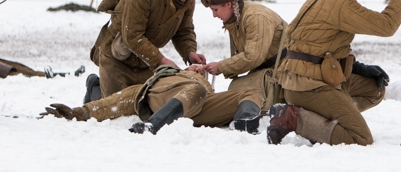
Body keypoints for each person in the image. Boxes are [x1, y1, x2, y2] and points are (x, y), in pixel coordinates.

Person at [266, 0, 401, 146]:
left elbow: (315, 44)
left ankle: (326, 119)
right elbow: (386, 26)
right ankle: (296, 119)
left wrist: (355, 67)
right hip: (309, 85)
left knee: (374, 88)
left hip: (306, 78)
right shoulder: (339, 4)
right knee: (360, 138)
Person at [89, 0, 210, 98]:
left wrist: (189, 52)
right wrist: (162, 61)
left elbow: (184, 31)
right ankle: (94, 88)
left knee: (144, 105)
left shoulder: (187, 1)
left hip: (145, 60)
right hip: (117, 57)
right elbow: (133, 36)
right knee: (115, 108)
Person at [42, 65, 264, 135]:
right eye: (194, 66)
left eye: (202, 69)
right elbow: (121, 101)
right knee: (195, 90)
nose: (199, 68)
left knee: (251, 91)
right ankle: (152, 125)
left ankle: (244, 122)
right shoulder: (163, 78)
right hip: (164, 101)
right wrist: (81, 112)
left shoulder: (207, 89)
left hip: (198, 106)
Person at [200, 0, 287, 110]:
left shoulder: (255, 17)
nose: (214, 15)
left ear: (228, 4)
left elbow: (253, 57)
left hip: (286, 70)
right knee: (235, 92)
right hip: (270, 67)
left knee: (239, 93)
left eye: (215, 9)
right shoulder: (236, 18)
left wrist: (221, 67)